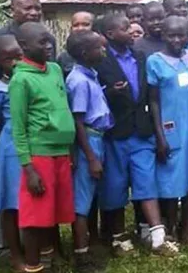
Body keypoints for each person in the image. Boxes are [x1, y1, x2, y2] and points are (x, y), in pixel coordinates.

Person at [95, 14, 177, 256]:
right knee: (115, 185)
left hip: (141, 132)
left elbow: (149, 95)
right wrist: (108, 91)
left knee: (146, 181)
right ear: (110, 34)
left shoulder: (140, 57)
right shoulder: (100, 60)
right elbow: (92, 95)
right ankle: (119, 238)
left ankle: (158, 237)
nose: (131, 31)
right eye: (124, 28)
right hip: (115, 133)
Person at [10, 22, 76, 272]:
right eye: (42, 42)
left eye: (50, 41)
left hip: (61, 153)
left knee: (53, 211)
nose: (48, 45)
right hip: (39, 156)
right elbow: (19, 127)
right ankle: (34, 264)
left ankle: (50, 255)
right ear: (24, 46)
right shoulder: (21, 80)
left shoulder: (56, 69)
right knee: (34, 215)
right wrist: (29, 168)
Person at [147, 16, 188, 246]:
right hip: (170, 127)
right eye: (171, 35)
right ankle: (171, 231)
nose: (177, 39)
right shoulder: (154, 62)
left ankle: (186, 231)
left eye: (181, 35)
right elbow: (153, 101)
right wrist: (160, 135)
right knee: (171, 180)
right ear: (163, 35)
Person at [64, 31, 111, 272]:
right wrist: (91, 158)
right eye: (99, 48)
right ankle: (81, 256)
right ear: (85, 54)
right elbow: (78, 121)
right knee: (81, 201)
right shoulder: (79, 81)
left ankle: (92, 243)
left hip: (99, 139)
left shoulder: (90, 74)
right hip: (89, 142)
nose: (104, 51)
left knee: (92, 196)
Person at [0, 35, 25, 272]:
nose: (15, 62)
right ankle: (14, 253)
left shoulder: (31, 80)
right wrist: (2, 150)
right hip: (10, 149)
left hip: (36, 145)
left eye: (18, 56)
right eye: (8, 58)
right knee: (11, 203)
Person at [0, 0, 53, 84]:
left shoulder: (48, 39)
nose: (34, 13)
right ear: (12, 11)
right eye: (28, 8)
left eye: (37, 8)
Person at [57, 12, 96, 77]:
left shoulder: (102, 53)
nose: (80, 28)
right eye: (75, 25)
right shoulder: (64, 57)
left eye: (85, 24)